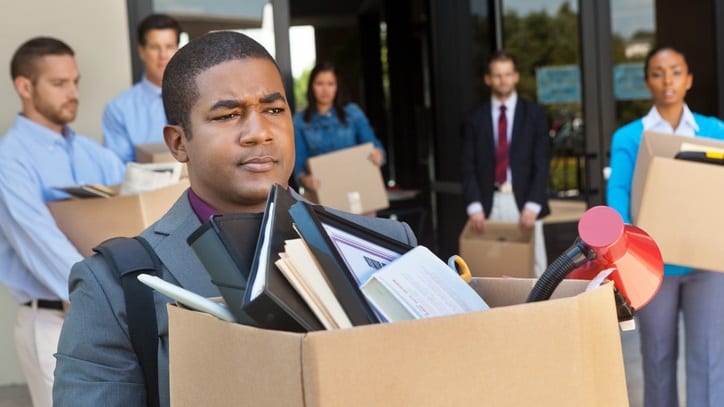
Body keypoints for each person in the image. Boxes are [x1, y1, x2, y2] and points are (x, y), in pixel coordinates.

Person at [53, 31, 416, 407]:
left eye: (274, 110)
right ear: (178, 143)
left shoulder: (390, 247)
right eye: (228, 115)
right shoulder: (115, 287)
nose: (259, 133)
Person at [0, 37, 125, 407]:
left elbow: (136, 210)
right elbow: (42, 245)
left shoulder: (93, 153)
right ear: (25, 87)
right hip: (54, 322)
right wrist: (116, 296)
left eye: (75, 81)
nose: (73, 93)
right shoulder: (10, 161)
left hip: (111, 315)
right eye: (59, 84)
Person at [607, 45, 724, 407]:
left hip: (708, 263)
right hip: (652, 267)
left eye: (675, 71)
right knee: (657, 358)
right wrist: (627, 256)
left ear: (688, 79)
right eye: (658, 73)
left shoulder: (715, 131)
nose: (667, 80)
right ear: (647, 83)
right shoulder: (629, 137)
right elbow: (619, 196)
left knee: (710, 358)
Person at [460, 50, 550, 276]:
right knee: (489, 270)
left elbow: (542, 162)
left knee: (536, 270)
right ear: (488, 79)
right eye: (497, 75)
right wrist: (474, 206)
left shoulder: (534, 114)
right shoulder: (475, 118)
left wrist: (533, 204)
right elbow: (467, 164)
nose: (503, 80)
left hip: (525, 204)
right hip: (487, 204)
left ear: (516, 76)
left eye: (508, 74)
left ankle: (539, 312)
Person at [102, 13, 182, 163]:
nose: (163, 55)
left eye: (169, 46)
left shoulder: (198, 97)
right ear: (141, 51)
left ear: (177, 49)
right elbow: (119, 169)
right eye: (154, 47)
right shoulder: (118, 110)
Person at [293, 61, 385, 192]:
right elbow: (299, 164)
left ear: (337, 87)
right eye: (320, 84)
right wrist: (305, 180)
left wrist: (378, 154)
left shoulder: (353, 113)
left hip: (358, 188)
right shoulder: (300, 120)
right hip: (323, 193)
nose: (325, 90)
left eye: (330, 84)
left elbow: (372, 145)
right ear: (311, 86)